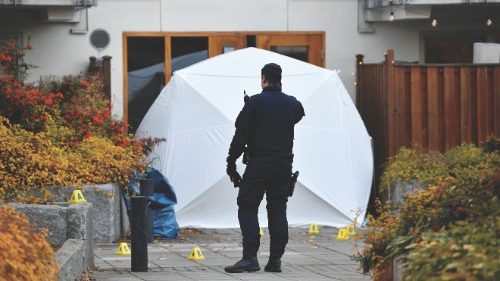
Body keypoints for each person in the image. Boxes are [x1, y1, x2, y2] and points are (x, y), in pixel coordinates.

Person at [224, 63, 305, 273]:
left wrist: (231, 162)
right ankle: (275, 260)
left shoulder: (255, 103)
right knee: (278, 209)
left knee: (248, 205)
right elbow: (299, 112)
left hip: (259, 164)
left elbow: (240, 136)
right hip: (283, 165)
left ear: (263, 79)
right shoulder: (292, 104)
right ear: (280, 80)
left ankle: (250, 257)